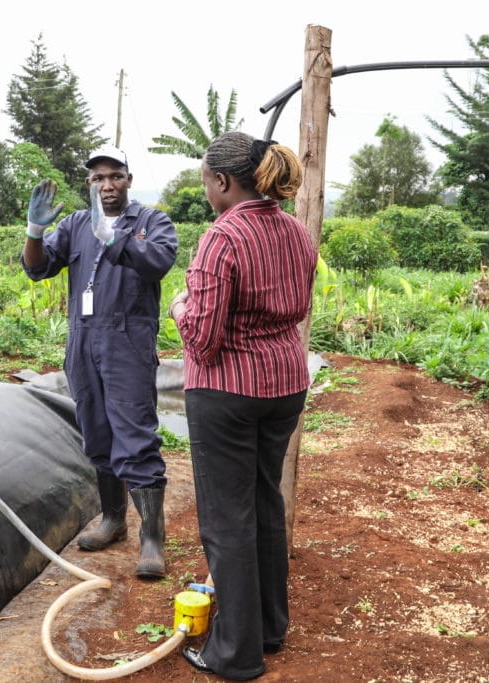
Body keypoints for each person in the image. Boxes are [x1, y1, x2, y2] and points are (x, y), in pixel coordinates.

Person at [169, 132, 317, 679]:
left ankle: (234, 653)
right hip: (283, 383)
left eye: (205, 180)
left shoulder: (221, 238)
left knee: (227, 518)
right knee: (263, 502)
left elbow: (203, 340)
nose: (204, 189)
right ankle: (270, 628)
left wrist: (179, 306)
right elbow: (297, 308)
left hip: (227, 390)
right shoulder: (296, 232)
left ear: (223, 181)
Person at [22, 147, 178, 580]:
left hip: (127, 343)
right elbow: (38, 269)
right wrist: (35, 230)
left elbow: (159, 262)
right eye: (97, 179)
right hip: (83, 342)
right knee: (97, 433)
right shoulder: (74, 225)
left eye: (114, 177)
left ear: (128, 179)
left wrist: (116, 239)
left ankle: (152, 537)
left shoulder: (151, 222)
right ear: (88, 183)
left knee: (135, 437)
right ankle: (113, 519)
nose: (106, 185)